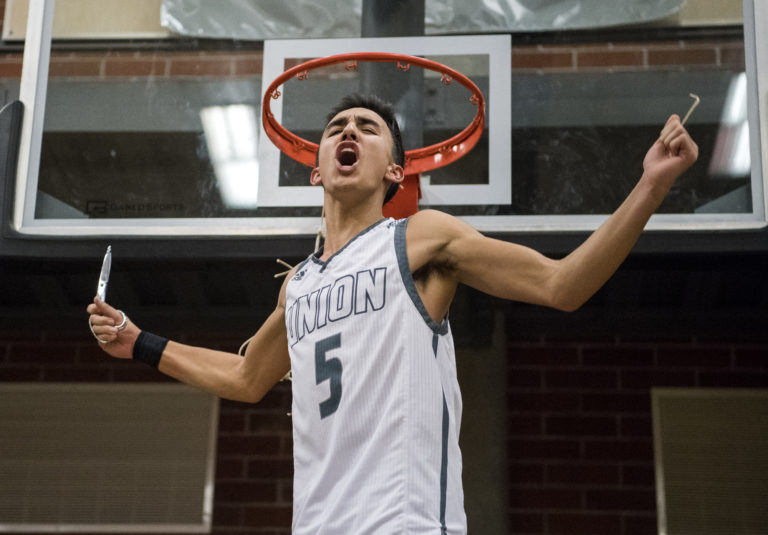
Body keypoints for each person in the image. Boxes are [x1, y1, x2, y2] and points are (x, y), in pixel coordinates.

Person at [87, 93, 698, 534]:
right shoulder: (297, 287)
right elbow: (248, 379)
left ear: (395, 170)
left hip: (405, 522)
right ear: (315, 168)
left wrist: (650, 186)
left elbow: (562, 285)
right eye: (336, 128)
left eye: (368, 127)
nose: (348, 132)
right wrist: (140, 342)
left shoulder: (419, 239)